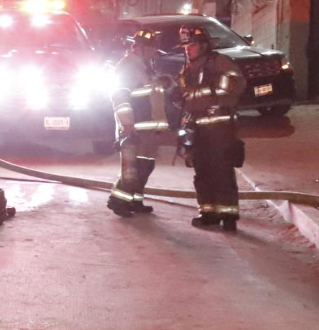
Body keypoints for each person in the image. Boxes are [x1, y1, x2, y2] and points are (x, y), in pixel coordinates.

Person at [176, 24, 247, 231]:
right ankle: (208, 212)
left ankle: (229, 216)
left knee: (222, 170)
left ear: (204, 45)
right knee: (202, 171)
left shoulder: (220, 62)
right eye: (185, 46)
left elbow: (235, 83)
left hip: (220, 127)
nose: (187, 49)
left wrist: (204, 95)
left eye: (192, 45)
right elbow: (184, 99)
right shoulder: (186, 69)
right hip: (198, 129)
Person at [106, 28, 172, 217]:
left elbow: (150, 94)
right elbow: (120, 97)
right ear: (139, 47)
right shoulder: (127, 66)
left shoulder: (144, 66)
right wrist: (127, 125)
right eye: (150, 48)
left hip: (149, 128)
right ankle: (118, 201)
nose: (153, 52)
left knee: (145, 166)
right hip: (136, 128)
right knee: (133, 169)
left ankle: (135, 201)